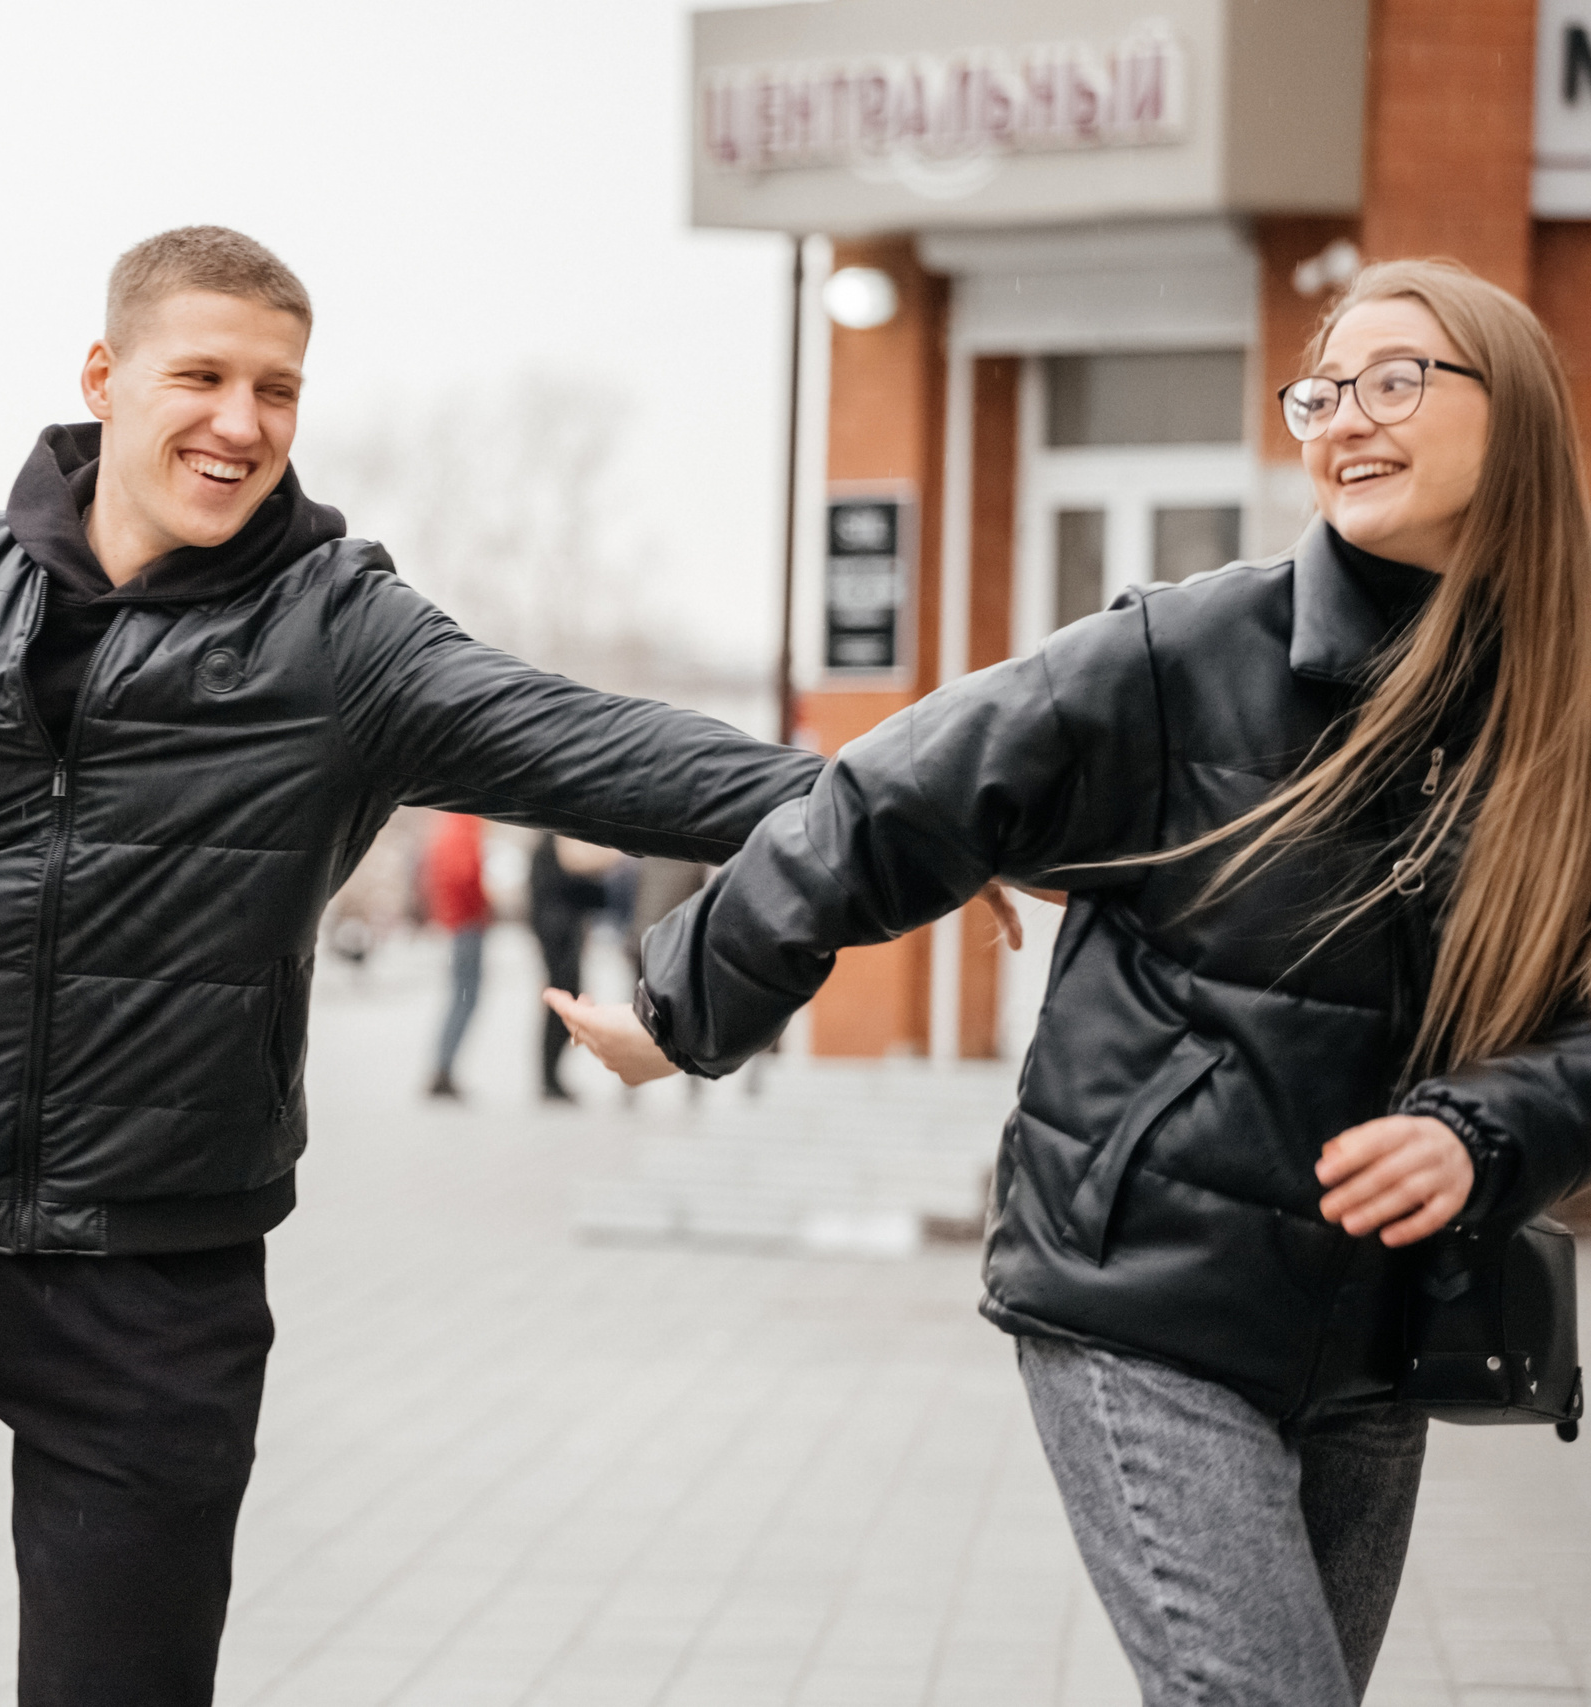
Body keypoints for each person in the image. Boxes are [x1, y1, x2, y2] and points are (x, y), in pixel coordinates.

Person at [0, 226, 826, 1707]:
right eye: (202, 375)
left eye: (279, 389)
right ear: (104, 377)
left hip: (153, 1287)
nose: (241, 423)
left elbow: (601, 749)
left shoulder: (340, 635)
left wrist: (911, 815)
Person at [552, 259, 1591, 1705]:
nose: (1346, 415)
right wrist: (684, 1010)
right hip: (1146, 1298)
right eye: (1323, 387)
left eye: (1399, 377)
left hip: (1375, 1337)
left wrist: (1485, 1129)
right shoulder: (1186, 651)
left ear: (1519, 412)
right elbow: (888, 802)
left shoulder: (1564, 708)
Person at [528, 833, 616, 1102]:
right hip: (559, 932)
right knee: (562, 1001)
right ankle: (549, 1078)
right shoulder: (554, 843)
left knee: (565, 1000)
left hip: (558, 929)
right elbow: (569, 884)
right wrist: (601, 890)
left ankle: (551, 1077)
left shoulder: (549, 842)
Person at [421, 812, 489, 1099]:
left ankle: (443, 1068)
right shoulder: (464, 828)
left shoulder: (445, 830)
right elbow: (466, 875)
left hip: (457, 923)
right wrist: (482, 908)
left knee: (459, 997)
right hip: (467, 926)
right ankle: (443, 1070)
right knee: (464, 998)